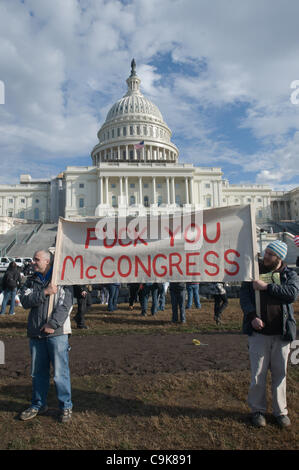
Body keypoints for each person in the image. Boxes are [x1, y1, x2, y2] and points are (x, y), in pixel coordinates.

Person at [240, 240, 298, 428]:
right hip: (259, 333)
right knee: (258, 374)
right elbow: (245, 297)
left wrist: (266, 287)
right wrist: (251, 317)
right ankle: (257, 410)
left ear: (279, 258)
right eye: (266, 253)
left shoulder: (289, 274)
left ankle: (280, 412)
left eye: (270, 255)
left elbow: (292, 293)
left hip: (281, 333)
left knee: (280, 374)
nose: (266, 257)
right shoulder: (254, 272)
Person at [19, 250, 74, 423]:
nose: (33, 262)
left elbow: (66, 304)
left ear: (47, 261)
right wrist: (45, 292)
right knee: (38, 373)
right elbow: (25, 301)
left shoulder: (62, 280)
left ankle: (65, 406)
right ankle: (38, 404)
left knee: (60, 373)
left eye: (37, 260)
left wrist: (53, 324)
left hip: (56, 334)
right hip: (36, 333)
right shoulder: (31, 280)